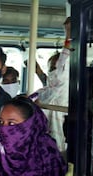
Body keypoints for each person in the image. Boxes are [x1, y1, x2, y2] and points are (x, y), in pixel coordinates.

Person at [35, 17, 71, 152]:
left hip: (58, 144)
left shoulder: (62, 84)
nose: (54, 71)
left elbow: (64, 60)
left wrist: (69, 36)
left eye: (56, 68)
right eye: (51, 68)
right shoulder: (47, 89)